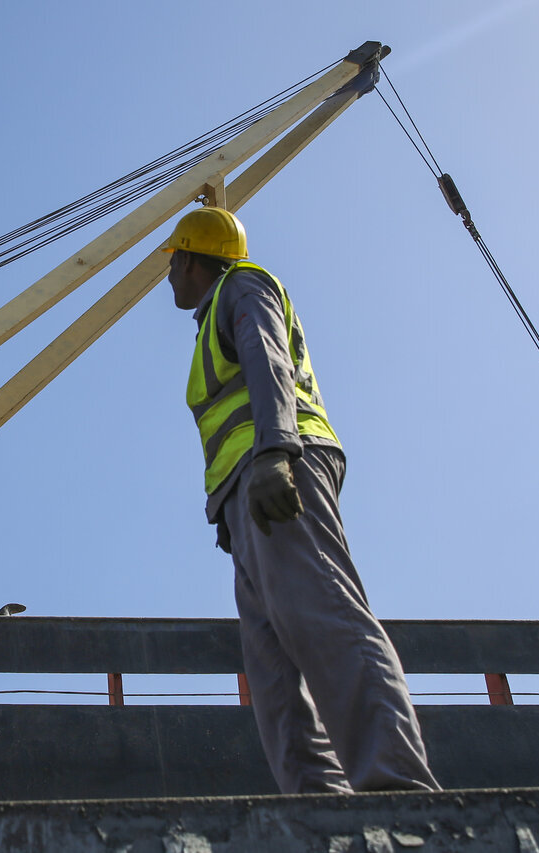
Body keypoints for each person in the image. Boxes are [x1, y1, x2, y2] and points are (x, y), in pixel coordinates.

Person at [163, 207, 438, 794]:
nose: (168, 276)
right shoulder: (215, 313)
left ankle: (397, 787)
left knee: (325, 618)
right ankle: (320, 805)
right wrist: (232, 505)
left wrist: (272, 455)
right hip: (247, 497)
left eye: (172, 262)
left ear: (188, 258)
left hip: (280, 472)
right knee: (272, 665)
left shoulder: (243, 286)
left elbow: (270, 366)